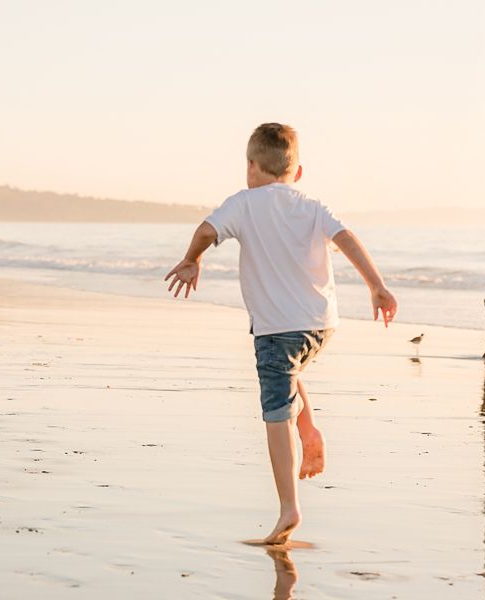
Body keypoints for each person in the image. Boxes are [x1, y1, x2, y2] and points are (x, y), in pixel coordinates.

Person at [165, 123, 397, 545]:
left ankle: (289, 506)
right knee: (289, 369)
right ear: (298, 171)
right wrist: (377, 287)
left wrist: (191, 259)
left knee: (276, 413)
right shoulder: (312, 204)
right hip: (322, 325)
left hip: (276, 330)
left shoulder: (244, 203)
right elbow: (346, 239)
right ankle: (309, 432)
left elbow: (204, 231)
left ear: (251, 167)